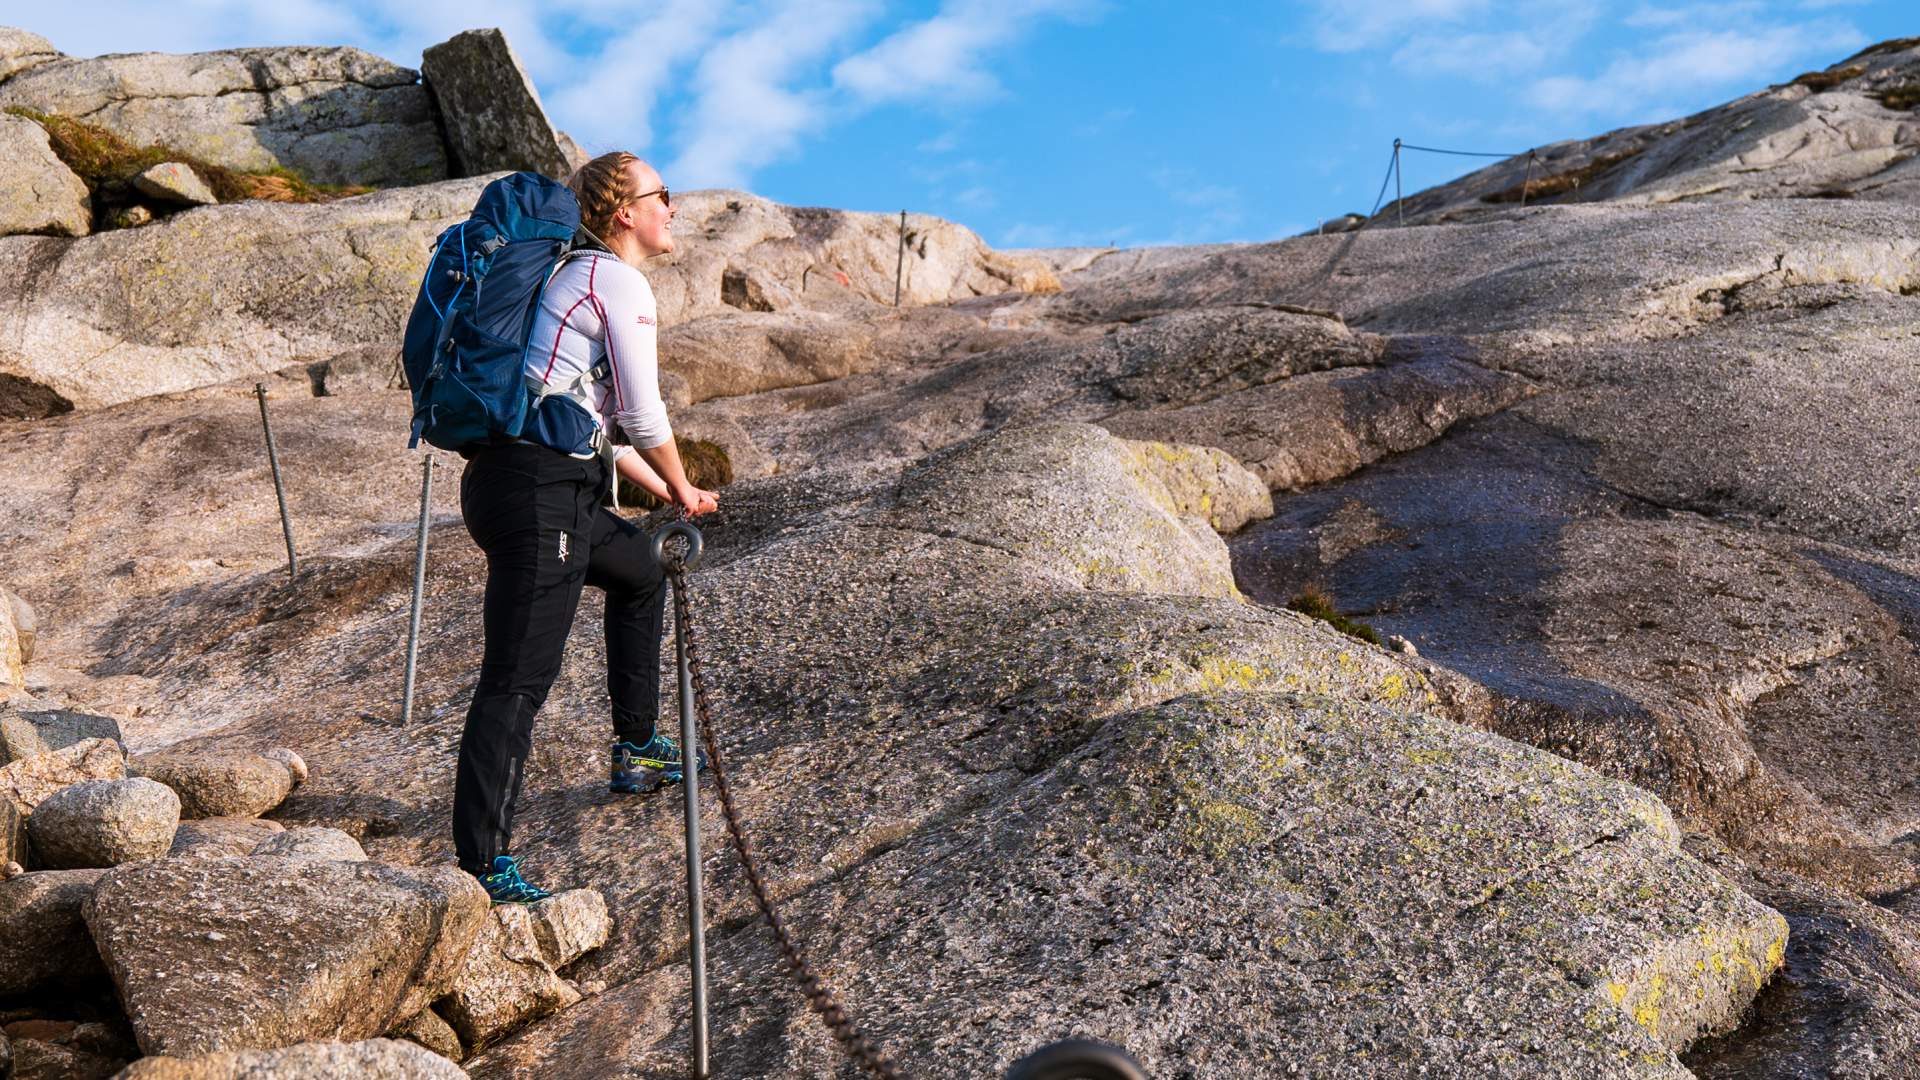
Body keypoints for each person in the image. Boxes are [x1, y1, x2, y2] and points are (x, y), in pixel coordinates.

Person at [452, 152, 719, 904]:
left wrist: (677, 490)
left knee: (639, 572)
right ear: (623, 212)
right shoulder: (613, 280)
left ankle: (637, 749)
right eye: (662, 194)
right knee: (516, 680)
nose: (673, 206)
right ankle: (482, 867)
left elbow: (604, 429)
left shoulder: (581, 276)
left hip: (546, 483)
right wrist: (677, 479)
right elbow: (640, 409)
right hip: (536, 490)